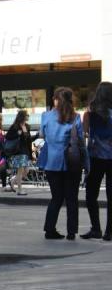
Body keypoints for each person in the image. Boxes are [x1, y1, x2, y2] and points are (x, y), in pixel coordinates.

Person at [40, 87, 86, 240]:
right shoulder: (75, 117)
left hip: (52, 163)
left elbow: (42, 134)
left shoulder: (45, 116)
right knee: (72, 198)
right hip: (71, 163)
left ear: (55, 100)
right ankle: (71, 232)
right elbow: (80, 143)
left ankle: (49, 229)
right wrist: (86, 163)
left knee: (56, 197)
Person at [82, 82, 112, 241]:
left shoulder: (90, 114)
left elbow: (84, 133)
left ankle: (96, 228)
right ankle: (109, 231)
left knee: (91, 194)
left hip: (96, 157)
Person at [5, 110, 33, 196]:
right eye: (27, 115)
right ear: (22, 116)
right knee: (20, 171)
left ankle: (13, 181)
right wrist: (17, 133)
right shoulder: (15, 126)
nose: (28, 116)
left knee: (26, 171)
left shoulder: (27, 126)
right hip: (18, 151)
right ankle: (19, 190)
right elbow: (7, 136)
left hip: (26, 151)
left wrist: (31, 154)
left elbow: (29, 140)